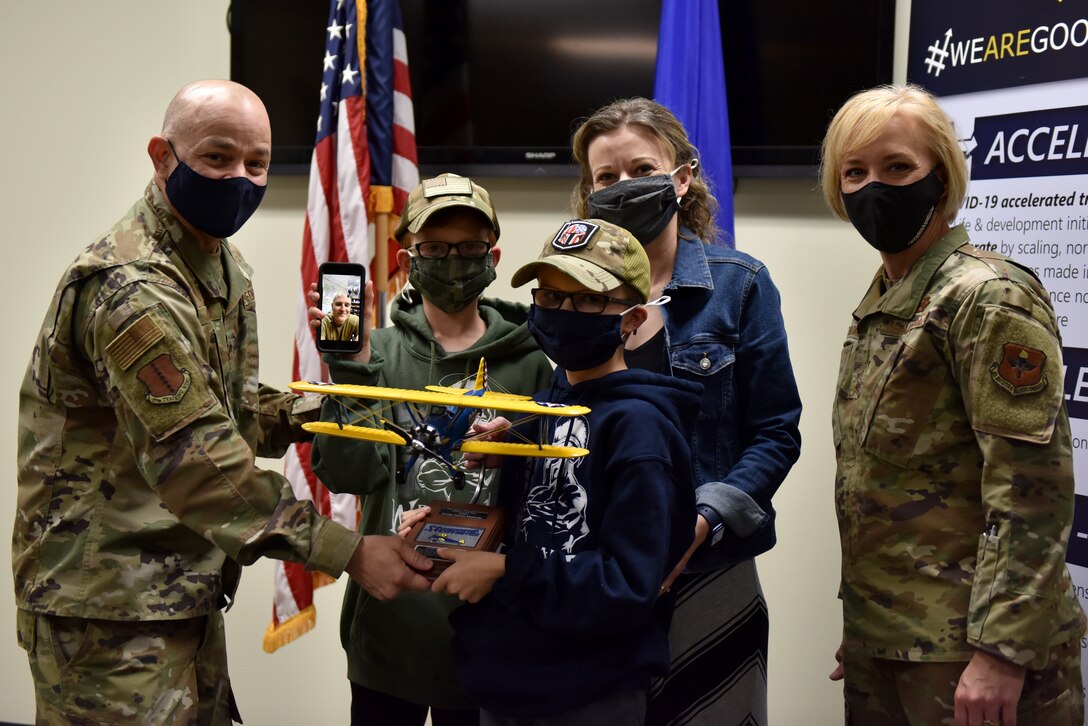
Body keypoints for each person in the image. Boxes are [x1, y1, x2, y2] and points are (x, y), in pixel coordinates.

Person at [13, 79, 431, 725]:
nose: (239, 177)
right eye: (216, 157)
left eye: (256, 163)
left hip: (177, 587)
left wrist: (329, 409)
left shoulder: (213, 263)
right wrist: (347, 551)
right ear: (163, 156)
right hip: (107, 608)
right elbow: (197, 462)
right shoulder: (132, 290)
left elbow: (225, 409)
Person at [820, 83, 1086, 725]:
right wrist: (874, 623)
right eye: (854, 172)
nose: (872, 187)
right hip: (892, 640)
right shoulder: (888, 298)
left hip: (975, 658)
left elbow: (1031, 491)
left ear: (941, 178)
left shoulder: (986, 297)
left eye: (898, 167)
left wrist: (1001, 652)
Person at [568, 97, 802, 726]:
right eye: (605, 178)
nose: (622, 187)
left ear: (682, 177)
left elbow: (776, 433)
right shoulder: (565, 289)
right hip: (596, 574)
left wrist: (705, 518)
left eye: (641, 169)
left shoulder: (740, 285)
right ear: (588, 192)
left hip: (709, 572)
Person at [309, 173, 553, 726]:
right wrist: (350, 368)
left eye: (469, 248)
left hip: (487, 630)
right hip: (389, 626)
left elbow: (543, 494)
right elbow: (344, 473)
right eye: (435, 249)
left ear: (493, 256)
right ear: (406, 259)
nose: (454, 261)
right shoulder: (380, 352)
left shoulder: (532, 360)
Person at [433, 217, 699, 724]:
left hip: (590, 692)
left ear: (632, 319)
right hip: (509, 678)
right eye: (550, 298)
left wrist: (507, 571)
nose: (563, 313)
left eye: (589, 300)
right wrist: (449, 533)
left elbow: (628, 585)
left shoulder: (642, 430)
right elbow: (521, 527)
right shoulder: (539, 412)